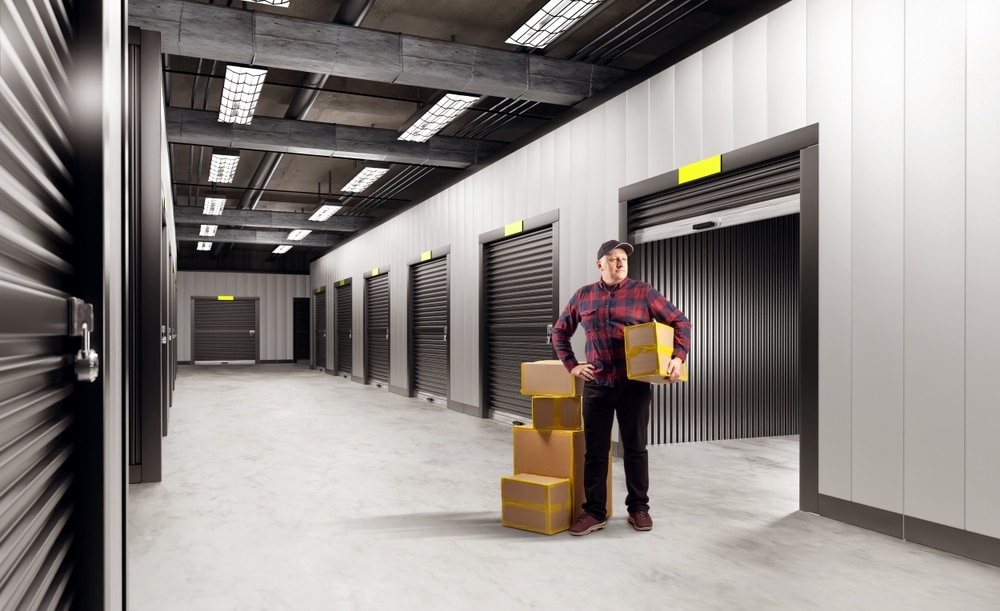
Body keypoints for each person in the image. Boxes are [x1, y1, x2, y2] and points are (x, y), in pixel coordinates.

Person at [551, 239, 690, 535]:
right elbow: (560, 331)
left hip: (634, 385)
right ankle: (594, 512)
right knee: (595, 452)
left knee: (635, 449)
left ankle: (638, 508)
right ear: (599, 264)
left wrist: (678, 357)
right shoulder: (583, 296)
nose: (619, 262)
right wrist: (572, 365)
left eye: (623, 258)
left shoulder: (643, 292)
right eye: (612, 258)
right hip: (597, 384)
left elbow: (680, 322)